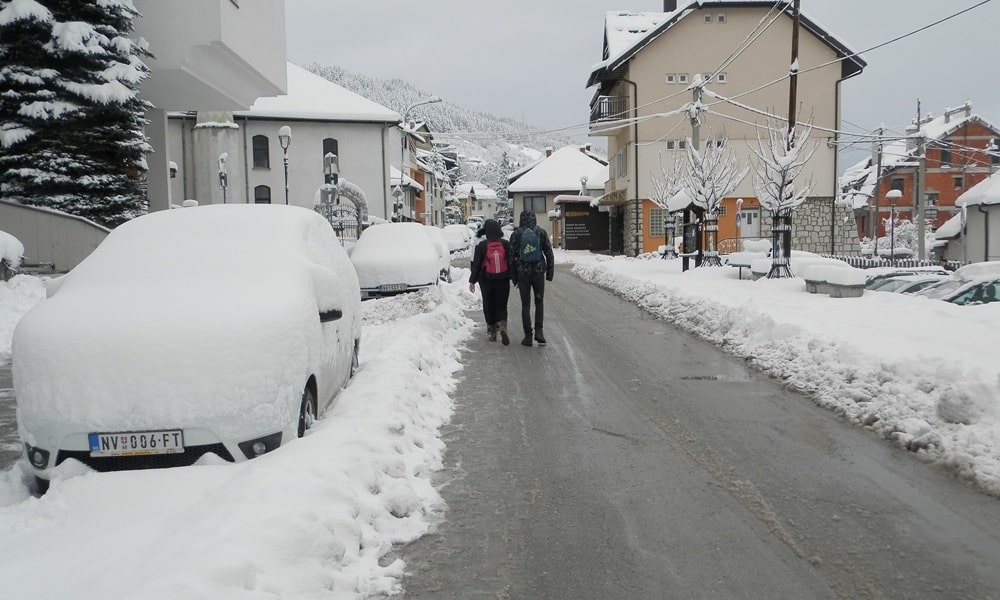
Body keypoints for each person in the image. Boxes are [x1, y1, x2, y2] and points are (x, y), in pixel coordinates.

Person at [509, 209, 555, 346]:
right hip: (538, 272)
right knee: (539, 302)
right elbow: (549, 253)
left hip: (523, 274)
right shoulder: (540, 233)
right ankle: (539, 331)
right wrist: (550, 273)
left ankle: (528, 335)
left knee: (525, 305)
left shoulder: (516, 235)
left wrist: (514, 277)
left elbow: (511, 257)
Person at [468, 219, 514, 345]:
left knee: (489, 304)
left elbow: (476, 265)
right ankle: (503, 325)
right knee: (502, 304)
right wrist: (514, 278)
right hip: (503, 279)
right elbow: (511, 262)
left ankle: (493, 332)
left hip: (486, 280)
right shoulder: (505, 244)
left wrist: (472, 281)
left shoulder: (482, 246)